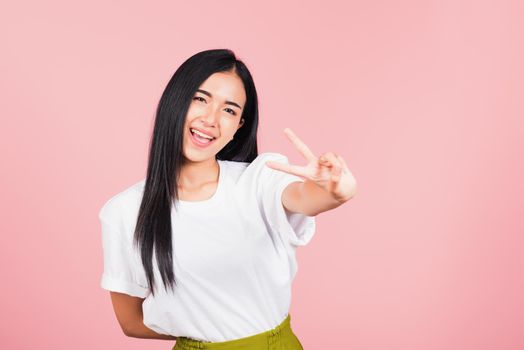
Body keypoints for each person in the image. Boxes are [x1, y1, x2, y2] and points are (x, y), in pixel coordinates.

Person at [98, 49, 357, 349]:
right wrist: (209, 333)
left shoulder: (259, 179)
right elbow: (130, 321)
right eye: (200, 99)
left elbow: (303, 197)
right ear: (175, 101)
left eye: (229, 110)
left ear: (239, 128)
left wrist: (337, 191)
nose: (211, 119)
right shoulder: (124, 212)